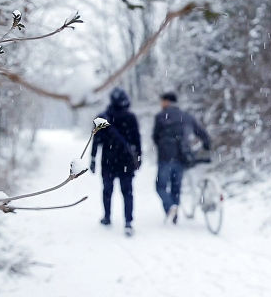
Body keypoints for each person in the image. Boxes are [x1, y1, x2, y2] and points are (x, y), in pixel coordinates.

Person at [152, 92, 211, 224]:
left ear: (166, 102)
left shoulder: (160, 116)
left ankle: (170, 206)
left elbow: (155, 137)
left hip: (165, 157)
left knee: (160, 186)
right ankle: (175, 213)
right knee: (176, 186)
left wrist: (163, 147)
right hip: (181, 156)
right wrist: (206, 145)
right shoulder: (186, 116)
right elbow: (201, 132)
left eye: (162, 101)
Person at [90, 87, 142, 236]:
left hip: (108, 161)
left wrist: (93, 159)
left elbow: (96, 141)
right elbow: (137, 140)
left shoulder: (102, 117)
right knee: (127, 192)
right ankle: (128, 222)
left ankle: (107, 217)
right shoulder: (130, 117)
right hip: (126, 161)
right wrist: (139, 157)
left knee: (107, 191)